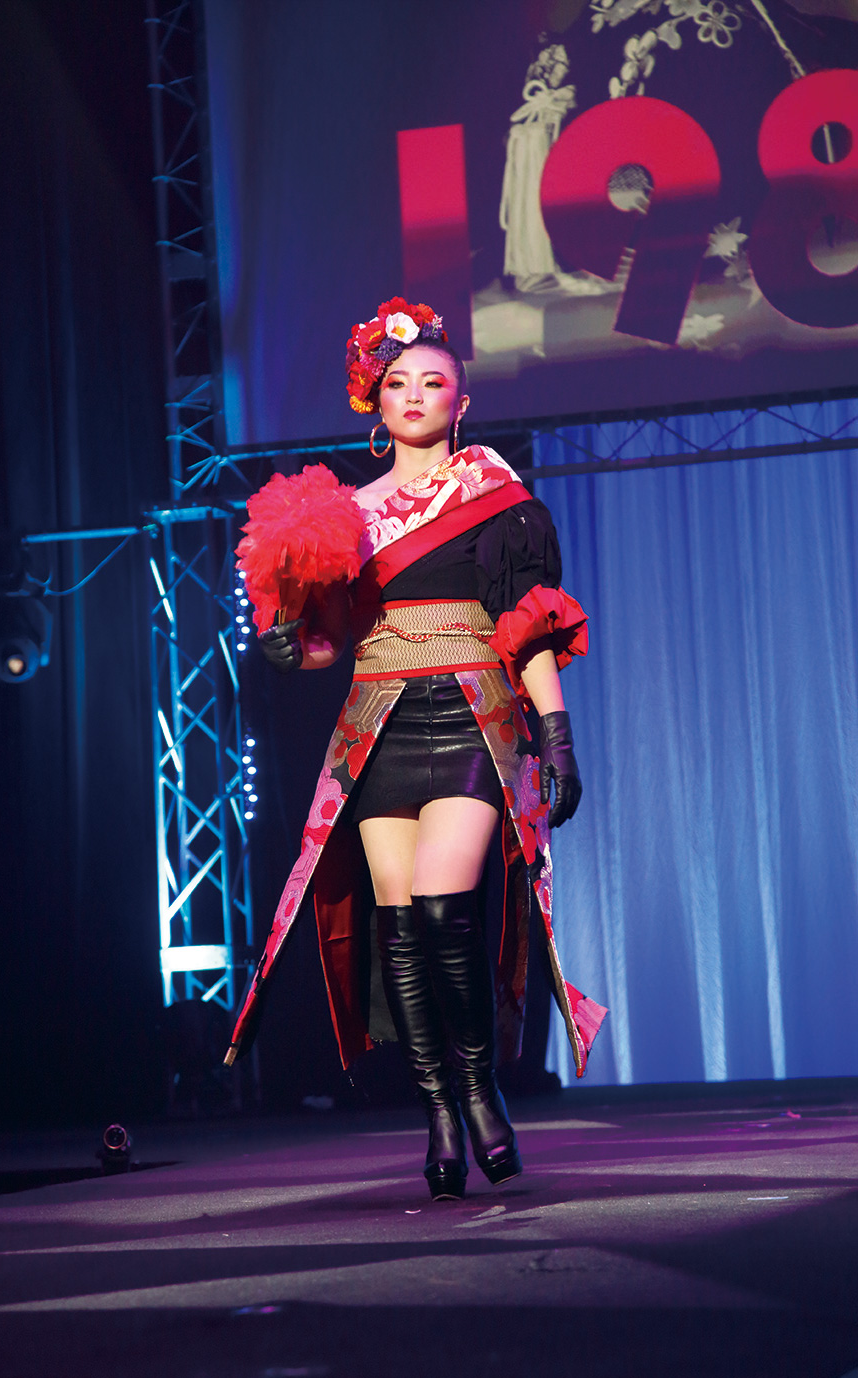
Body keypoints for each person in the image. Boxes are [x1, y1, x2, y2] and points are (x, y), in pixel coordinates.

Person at [225, 297, 607, 1201]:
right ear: (375, 400)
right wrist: (285, 644)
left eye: (433, 382)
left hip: (473, 715)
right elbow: (327, 643)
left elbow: (528, 627)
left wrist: (555, 737)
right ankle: (436, 1111)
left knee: (445, 910)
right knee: (397, 927)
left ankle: (479, 1094)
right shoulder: (345, 517)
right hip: (376, 723)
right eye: (397, 381)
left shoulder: (493, 494)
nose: (413, 394)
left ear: (459, 403)